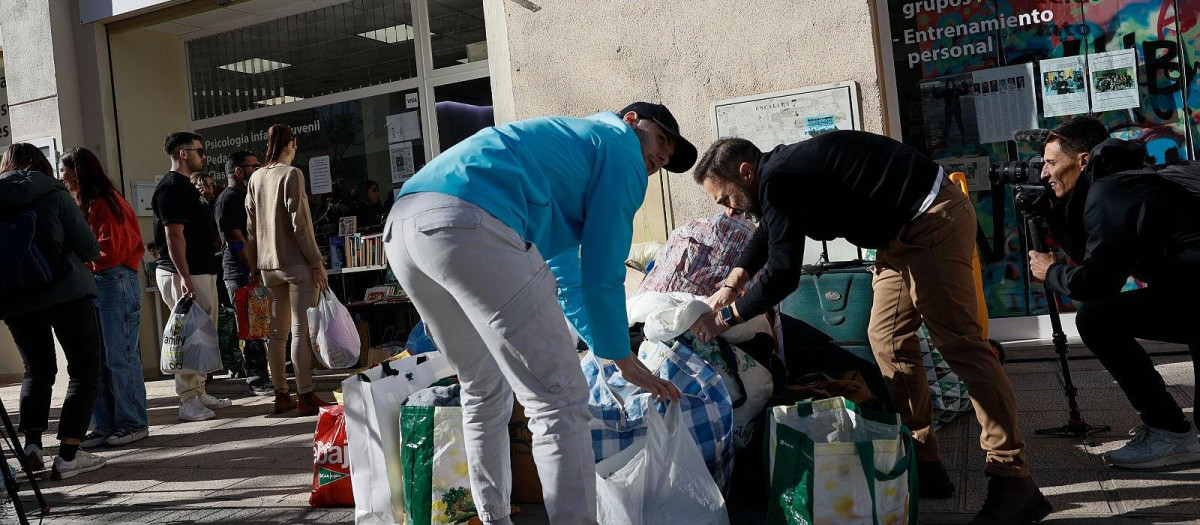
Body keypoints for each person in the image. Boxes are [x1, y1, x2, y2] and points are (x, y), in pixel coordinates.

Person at [689, 131, 1050, 524]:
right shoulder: (778, 177)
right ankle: (922, 458)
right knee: (888, 341)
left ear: (745, 173)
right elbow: (768, 235)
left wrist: (725, 318)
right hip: (897, 238)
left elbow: (782, 275)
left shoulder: (779, 178)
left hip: (931, 219)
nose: (728, 211)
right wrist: (731, 283)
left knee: (962, 346)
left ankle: (1013, 478)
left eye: (725, 198)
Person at [385, 102, 692, 524]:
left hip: (405, 226)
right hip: (470, 219)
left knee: (483, 385)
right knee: (560, 398)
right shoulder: (620, 148)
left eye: (666, 160)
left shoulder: (569, 155)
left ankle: (493, 518)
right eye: (661, 142)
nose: (659, 159)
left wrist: (611, 352)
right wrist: (622, 356)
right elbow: (603, 271)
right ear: (632, 121)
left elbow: (569, 282)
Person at [1029, 116, 1200, 469]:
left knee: (1097, 317)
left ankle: (1169, 432)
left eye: (1050, 163)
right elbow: (1094, 250)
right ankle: (1173, 434)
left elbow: (1097, 284)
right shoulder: (1126, 177)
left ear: (1082, 161)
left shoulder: (1110, 191)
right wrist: (1055, 211)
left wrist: (1051, 272)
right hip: (1191, 290)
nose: (1043, 173)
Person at [0, 143, 107, 479]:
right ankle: (69, 456)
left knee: (36, 370)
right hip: (67, 292)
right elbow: (89, 246)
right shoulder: (54, 192)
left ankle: (31, 448)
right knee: (84, 371)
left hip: (15, 299)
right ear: (41, 162)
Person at [58, 147, 150, 448]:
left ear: (78, 172)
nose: (62, 176)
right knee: (99, 358)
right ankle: (107, 423)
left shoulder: (107, 203)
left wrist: (78, 260)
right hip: (100, 282)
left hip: (114, 281)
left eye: (65, 170)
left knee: (119, 356)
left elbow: (111, 251)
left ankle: (132, 422)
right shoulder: (89, 203)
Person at [244, 124, 331, 416]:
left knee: (276, 334)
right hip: (295, 262)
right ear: (290, 144)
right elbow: (300, 223)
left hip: (268, 266)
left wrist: (254, 264)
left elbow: (251, 228)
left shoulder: (255, 178)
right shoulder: (292, 174)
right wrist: (317, 261)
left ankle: (281, 394)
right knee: (300, 332)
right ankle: (305, 394)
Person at [152, 132, 233, 421]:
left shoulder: (185, 186)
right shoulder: (172, 187)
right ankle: (187, 399)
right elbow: (174, 236)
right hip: (184, 273)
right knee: (188, 336)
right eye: (200, 150)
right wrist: (184, 276)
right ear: (183, 154)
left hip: (198, 270)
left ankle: (198, 391)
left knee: (202, 334)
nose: (204, 155)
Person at [214, 150, 273, 395]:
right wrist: (252, 270)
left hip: (252, 271)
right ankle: (256, 378)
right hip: (241, 274)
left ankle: (263, 375)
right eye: (254, 166)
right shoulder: (229, 198)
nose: (259, 170)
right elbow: (235, 239)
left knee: (259, 325)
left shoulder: (244, 195)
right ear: (239, 172)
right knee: (250, 327)